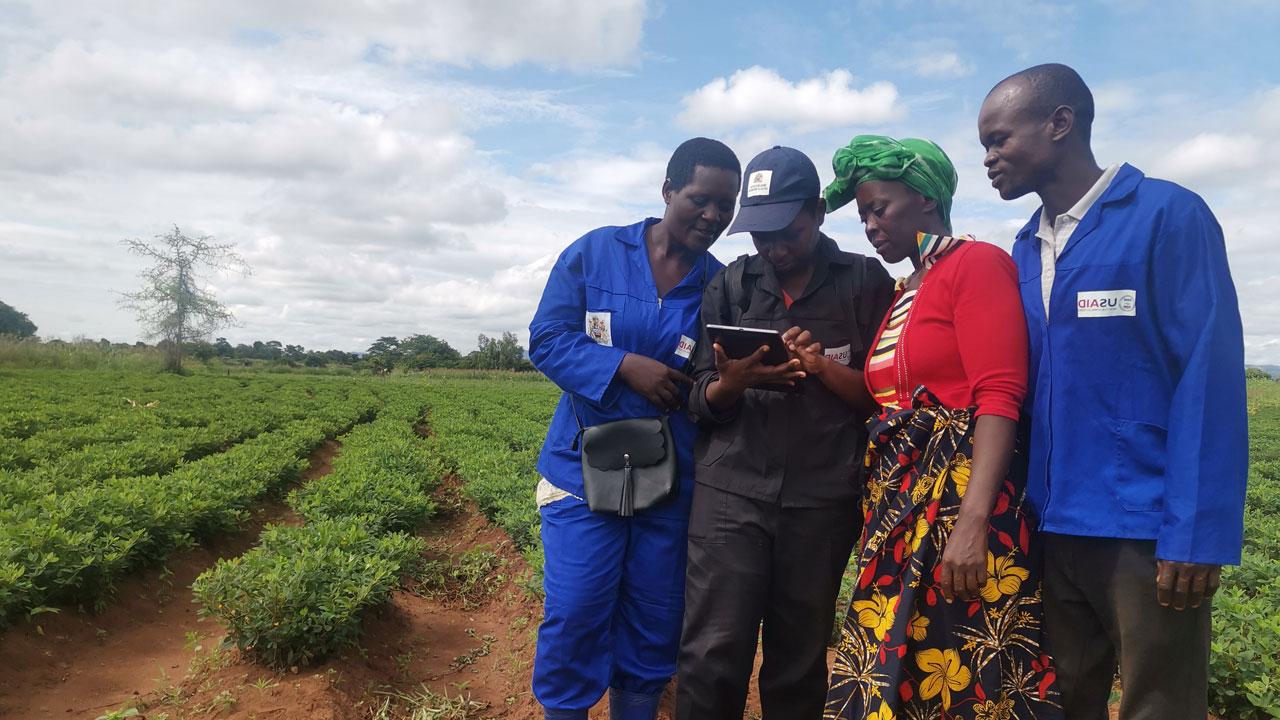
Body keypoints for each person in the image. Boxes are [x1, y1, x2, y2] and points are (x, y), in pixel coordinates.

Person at [978, 63, 1248, 720]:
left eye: (999, 139)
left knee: (1158, 704)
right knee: (1064, 698)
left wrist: (1196, 533)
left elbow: (1207, 380)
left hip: (1145, 531)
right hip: (1053, 526)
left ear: (1059, 123)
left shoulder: (1166, 216)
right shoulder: (1022, 248)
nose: (988, 159)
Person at [820, 135, 1063, 720]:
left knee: (958, 673)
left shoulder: (975, 265)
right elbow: (890, 403)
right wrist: (817, 366)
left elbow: (999, 393)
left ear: (926, 199)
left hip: (958, 504)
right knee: (895, 669)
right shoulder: (908, 288)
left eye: (880, 209)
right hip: (899, 507)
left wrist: (973, 524)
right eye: (863, 216)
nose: (871, 226)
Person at [677, 146, 896, 720]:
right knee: (711, 652)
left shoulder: (865, 282)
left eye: (787, 233)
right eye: (759, 236)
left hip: (821, 500)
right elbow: (697, 397)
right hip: (730, 495)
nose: (772, 248)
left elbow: (887, 394)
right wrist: (734, 382)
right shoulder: (731, 285)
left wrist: (825, 368)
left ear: (819, 212)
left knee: (798, 660)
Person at [528, 137, 742, 720]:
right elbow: (546, 340)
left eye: (726, 205)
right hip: (581, 464)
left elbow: (715, 378)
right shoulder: (594, 253)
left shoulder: (722, 286)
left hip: (671, 474)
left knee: (655, 615)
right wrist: (623, 365)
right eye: (700, 199)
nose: (713, 216)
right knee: (576, 608)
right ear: (668, 190)